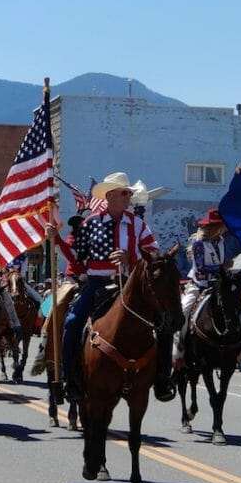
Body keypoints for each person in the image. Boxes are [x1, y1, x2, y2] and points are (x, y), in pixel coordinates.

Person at [58, 172, 167, 402]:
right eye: (124, 193)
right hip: (97, 282)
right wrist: (55, 240)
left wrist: (132, 258)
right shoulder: (90, 223)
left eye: (129, 193)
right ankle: (69, 377)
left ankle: (162, 378)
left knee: (164, 321)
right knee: (72, 321)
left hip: (129, 284)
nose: (129, 197)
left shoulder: (138, 224)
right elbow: (76, 256)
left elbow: (154, 254)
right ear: (110, 196)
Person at [175, 208, 241, 366]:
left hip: (219, 284)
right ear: (215, 226)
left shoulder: (221, 242)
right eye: (222, 225)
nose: (224, 229)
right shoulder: (199, 244)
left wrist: (226, 267)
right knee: (184, 311)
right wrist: (221, 266)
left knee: (239, 311)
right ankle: (178, 351)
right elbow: (201, 267)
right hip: (199, 285)